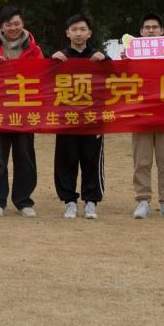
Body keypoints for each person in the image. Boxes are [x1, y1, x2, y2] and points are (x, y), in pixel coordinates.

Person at [0, 6, 44, 217]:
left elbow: (43, 76)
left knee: (25, 156)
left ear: (23, 24)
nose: (13, 28)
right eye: (9, 24)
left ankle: (24, 201)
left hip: (24, 112)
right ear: (2, 26)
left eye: (17, 24)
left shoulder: (34, 49)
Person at [50, 13, 107, 220]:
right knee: (66, 160)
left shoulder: (99, 57)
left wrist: (106, 61)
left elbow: (118, 79)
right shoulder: (59, 57)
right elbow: (44, 83)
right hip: (67, 120)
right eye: (74, 30)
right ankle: (70, 202)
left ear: (90, 33)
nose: (78, 33)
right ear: (67, 33)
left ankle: (91, 201)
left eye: (83, 29)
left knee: (91, 160)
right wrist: (51, 62)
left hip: (93, 120)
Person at [126, 13, 164, 220]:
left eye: (155, 27)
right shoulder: (131, 56)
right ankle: (142, 200)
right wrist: (125, 62)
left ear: (162, 31)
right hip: (140, 114)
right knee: (142, 160)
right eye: (147, 27)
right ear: (141, 32)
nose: (151, 30)